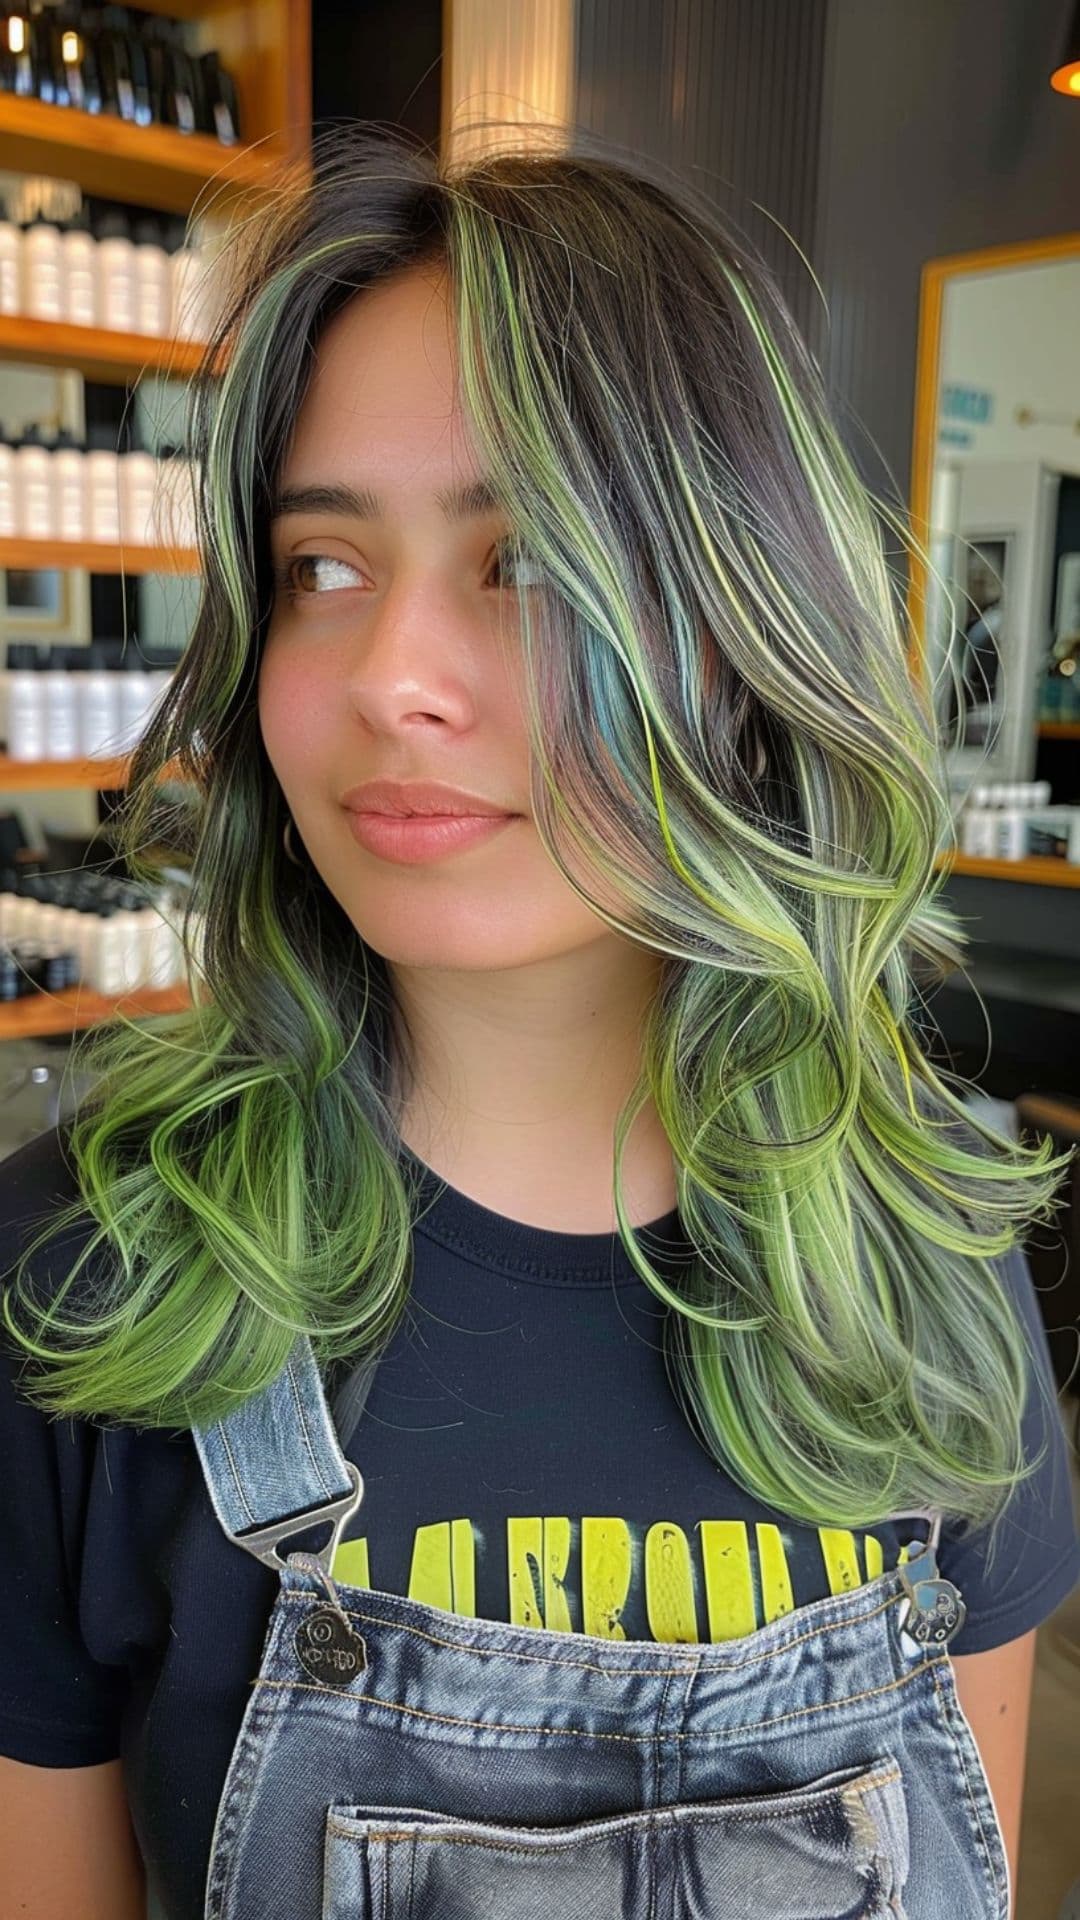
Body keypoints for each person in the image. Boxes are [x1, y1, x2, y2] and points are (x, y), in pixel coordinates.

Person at [1, 123, 1078, 1920]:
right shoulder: (83, 1288)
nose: (389, 679)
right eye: (321, 570)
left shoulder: (931, 1266)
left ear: (743, 636)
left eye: (528, 564)